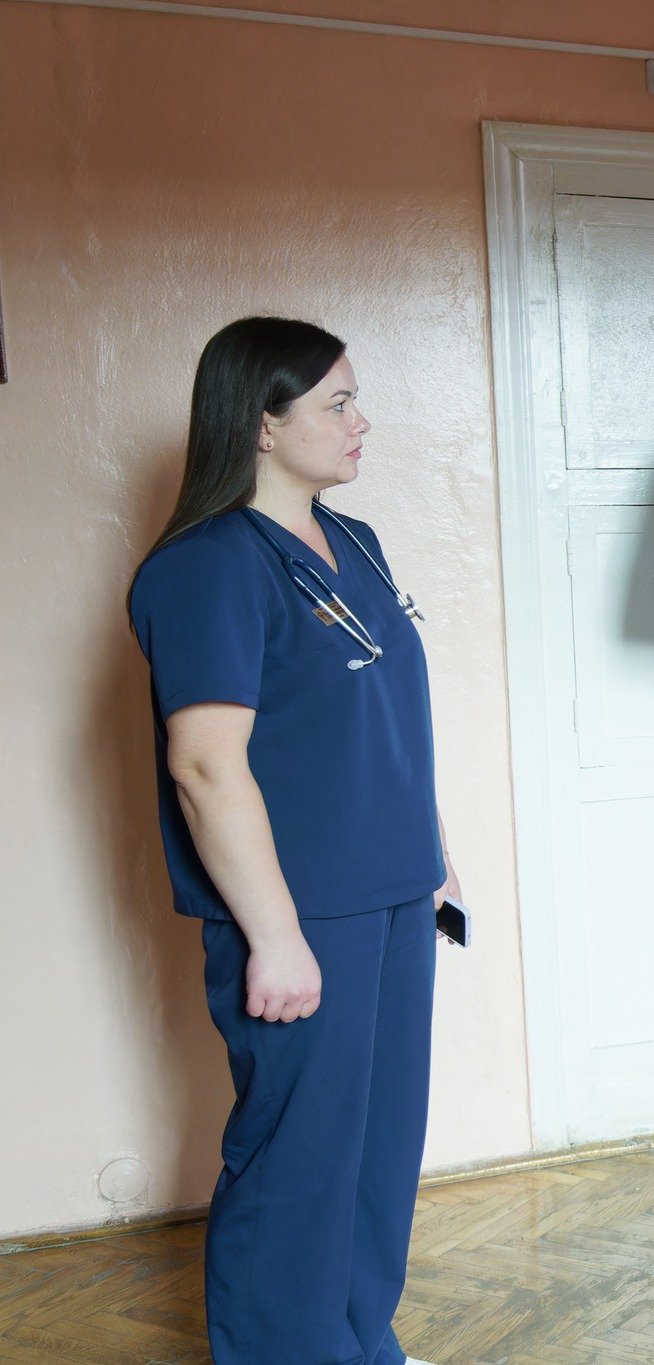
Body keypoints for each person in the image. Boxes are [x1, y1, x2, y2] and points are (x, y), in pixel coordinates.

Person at [127, 317, 457, 1365]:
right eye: (337, 404)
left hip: (392, 894)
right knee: (299, 1163)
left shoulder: (353, 541)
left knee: (377, 1153)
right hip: (300, 911)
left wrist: (434, 859)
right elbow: (205, 766)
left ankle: (361, 1345)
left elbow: (381, 715)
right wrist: (274, 938)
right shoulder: (208, 567)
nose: (362, 423)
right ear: (261, 425)